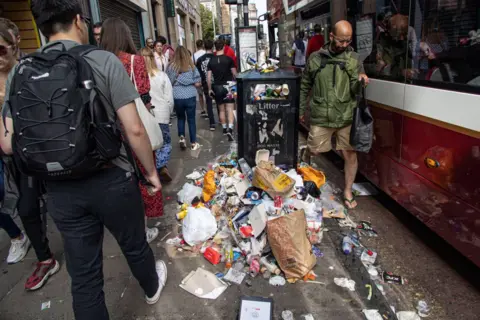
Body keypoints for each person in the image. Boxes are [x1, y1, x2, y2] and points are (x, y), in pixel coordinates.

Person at [0, 2, 168, 318]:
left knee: (84, 274)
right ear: (79, 21)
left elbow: (7, 145)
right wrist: (150, 173)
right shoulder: (101, 60)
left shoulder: (20, 73)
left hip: (59, 190)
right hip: (111, 179)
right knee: (133, 244)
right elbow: (134, 129)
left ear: (39, 28)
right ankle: (151, 287)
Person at [0, 19, 60, 290]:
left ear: (15, 44)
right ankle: (44, 257)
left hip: (39, 149)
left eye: (1, 50)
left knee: (58, 201)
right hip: (13, 158)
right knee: (26, 208)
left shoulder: (29, 70)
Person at [101, 18, 164, 237]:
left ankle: (125, 224)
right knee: (144, 175)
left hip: (107, 133)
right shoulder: (134, 61)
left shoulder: (97, 62)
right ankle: (143, 228)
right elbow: (144, 94)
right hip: (132, 126)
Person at [300, 20, 369, 210]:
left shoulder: (354, 59)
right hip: (322, 115)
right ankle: (305, 163)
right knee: (314, 150)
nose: (344, 45)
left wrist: (361, 80)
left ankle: (347, 190)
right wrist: (300, 111)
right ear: (331, 37)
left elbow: (356, 88)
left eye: (348, 41)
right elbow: (305, 85)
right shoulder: (315, 58)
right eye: (341, 41)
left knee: (350, 154)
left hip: (346, 116)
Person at [140, 47, 174, 182]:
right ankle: (161, 165)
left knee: (149, 144)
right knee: (165, 142)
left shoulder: (138, 78)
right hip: (161, 114)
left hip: (145, 116)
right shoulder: (161, 75)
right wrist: (168, 112)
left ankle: (152, 168)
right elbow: (169, 98)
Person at [166, 46, 202, 150]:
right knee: (191, 120)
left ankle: (181, 137)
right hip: (190, 95)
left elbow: (169, 82)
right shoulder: (192, 66)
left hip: (177, 96)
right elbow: (198, 82)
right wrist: (192, 82)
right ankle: (193, 143)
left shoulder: (171, 67)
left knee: (180, 118)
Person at [207, 39, 237, 141]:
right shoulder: (229, 59)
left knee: (221, 109)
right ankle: (231, 129)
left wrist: (210, 89)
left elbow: (209, 77)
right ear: (224, 46)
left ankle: (224, 128)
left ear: (215, 47)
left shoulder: (211, 61)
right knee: (230, 108)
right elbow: (234, 73)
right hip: (228, 86)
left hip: (217, 87)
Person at [196, 39, 216, 130]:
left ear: (204, 46)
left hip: (204, 82)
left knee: (209, 103)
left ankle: (212, 123)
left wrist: (199, 81)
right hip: (216, 81)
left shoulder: (200, 59)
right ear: (212, 47)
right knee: (219, 101)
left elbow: (198, 72)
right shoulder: (216, 57)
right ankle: (221, 119)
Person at [193, 39, 208, 119]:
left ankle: (203, 109)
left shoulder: (194, 55)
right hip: (206, 76)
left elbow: (193, 66)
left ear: (196, 46)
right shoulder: (206, 53)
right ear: (202, 45)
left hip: (198, 77)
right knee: (207, 94)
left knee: (200, 94)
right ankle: (208, 109)